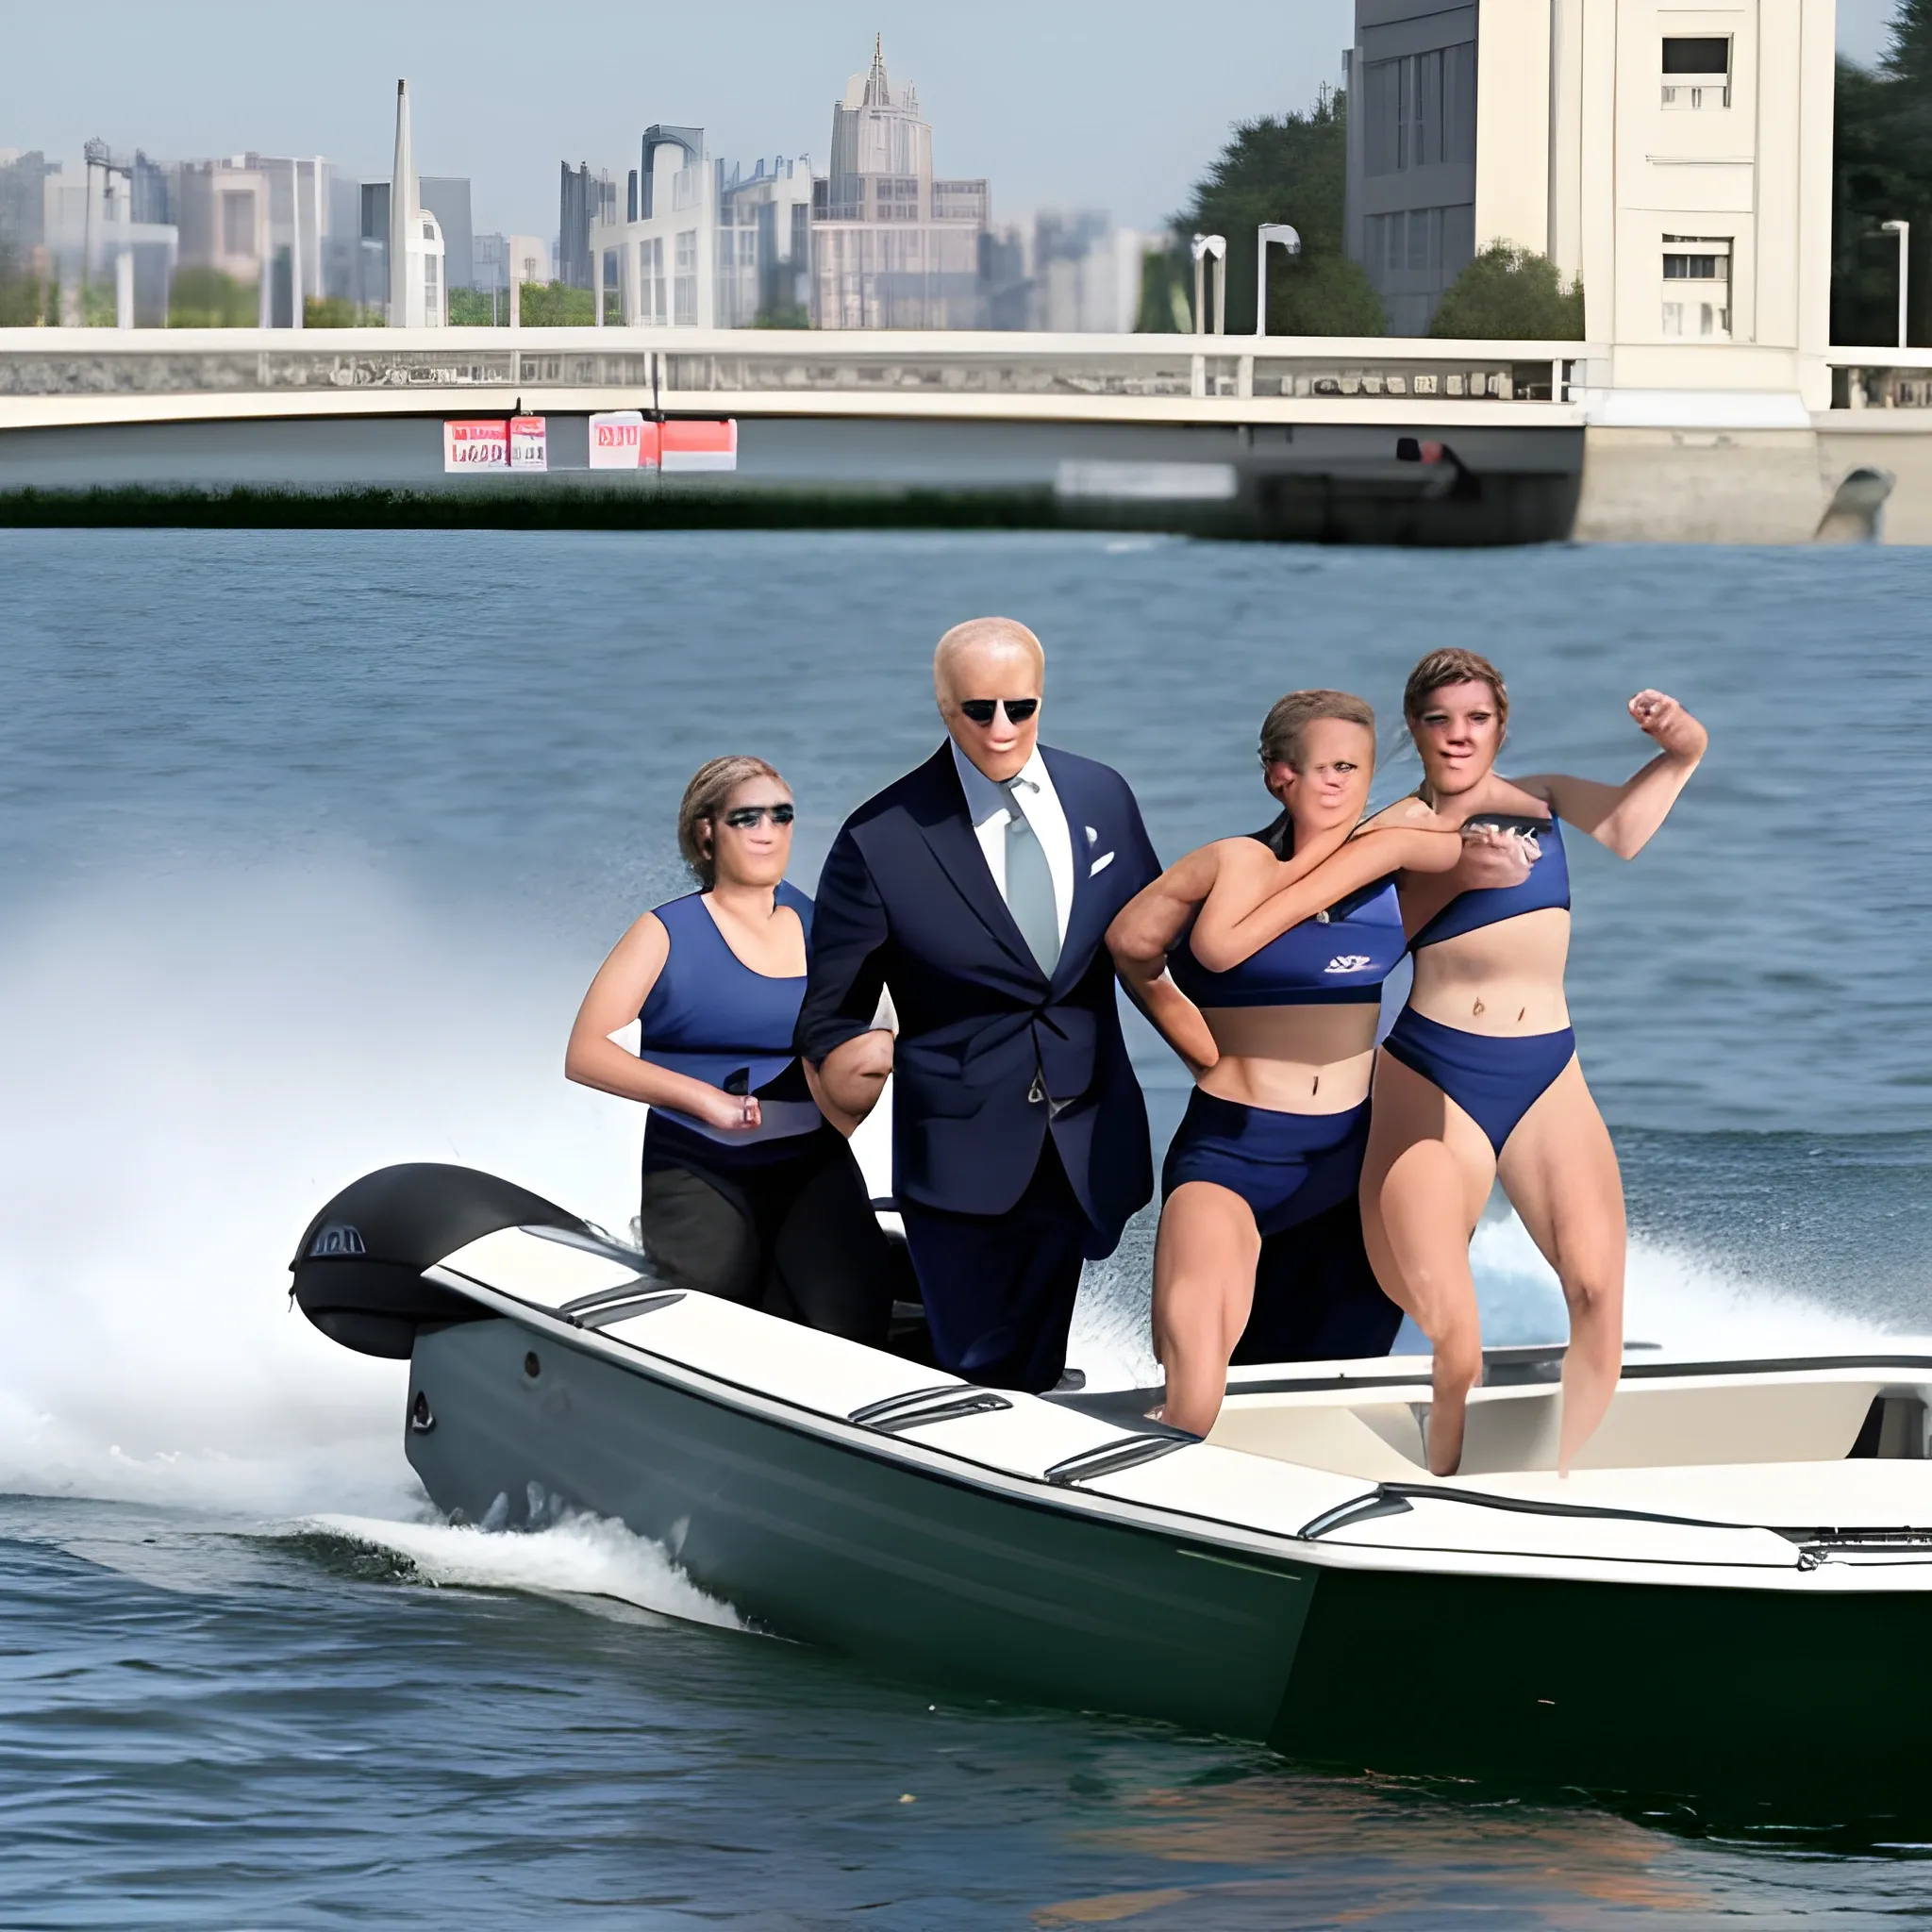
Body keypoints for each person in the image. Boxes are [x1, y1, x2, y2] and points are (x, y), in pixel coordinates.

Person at [1107, 690, 1530, 1437]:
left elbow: (1481, 858)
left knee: (1322, 1380)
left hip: (1350, 1159)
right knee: (1198, 1391)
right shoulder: (1231, 865)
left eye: (1354, 767)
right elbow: (1132, 947)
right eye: (1320, 767)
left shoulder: (1392, 880)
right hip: (1236, 1148)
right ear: (1279, 776)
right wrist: (1196, 1044)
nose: (1339, 783)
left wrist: (1405, 846)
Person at [1360, 647, 1707, 1476]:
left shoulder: (1544, 802)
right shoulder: (1394, 829)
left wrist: (1683, 748)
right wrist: (1456, 872)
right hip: (1434, 1069)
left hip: (1549, 1073)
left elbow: (1626, 827)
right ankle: (1438, 1472)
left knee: (1596, 1294)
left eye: (1475, 718)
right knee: (1446, 1318)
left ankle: (1569, 1482)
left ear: (1500, 726)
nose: (1457, 735)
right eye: (1439, 719)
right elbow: (1355, 950)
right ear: (1414, 728)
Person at [795, 617, 1161, 1394]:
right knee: (983, 1370)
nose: (1001, 729)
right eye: (978, 710)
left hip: (1087, 1132)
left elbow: (1158, 941)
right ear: (942, 705)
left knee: (1032, 1361)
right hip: (961, 1154)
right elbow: (828, 1012)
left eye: (1020, 708)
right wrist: (861, 1054)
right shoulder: (880, 837)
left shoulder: (1104, 795)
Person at [565, 755, 894, 1345]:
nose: (768, 831)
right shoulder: (663, 932)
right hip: (699, 1161)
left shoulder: (823, 925)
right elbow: (586, 1052)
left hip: (808, 1159)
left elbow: (879, 1031)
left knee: (858, 1311)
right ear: (707, 832)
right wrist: (702, 1100)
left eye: (781, 815)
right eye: (747, 818)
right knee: (716, 1305)